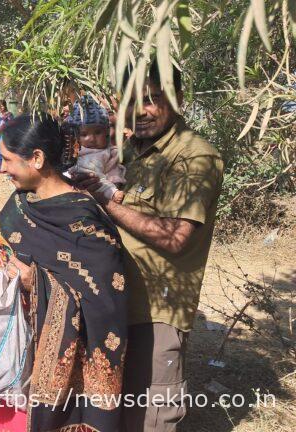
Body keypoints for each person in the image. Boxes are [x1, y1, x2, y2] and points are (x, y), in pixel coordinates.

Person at [74, 63, 224, 432]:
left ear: (178, 100)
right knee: (114, 410)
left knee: (151, 417)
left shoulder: (194, 157)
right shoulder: (125, 152)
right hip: (114, 303)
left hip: (157, 310)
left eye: (152, 100)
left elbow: (175, 237)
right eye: (131, 101)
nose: (140, 111)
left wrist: (105, 201)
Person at [0, 114, 127, 432]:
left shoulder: (85, 219)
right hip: (12, 354)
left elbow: (106, 300)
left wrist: (35, 282)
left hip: (58, 371)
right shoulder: (19, 205)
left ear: (38, 158)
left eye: (7, 159)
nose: (1, 168)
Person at [65, 95, 126, 202]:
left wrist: (114, 185)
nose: (92, 139)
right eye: (84, 134)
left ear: (106, 132)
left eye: (98, 132)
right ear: (76, 137)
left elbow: (113, 171)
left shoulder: (111, 152)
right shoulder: (78, 152)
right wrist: (112, 191)